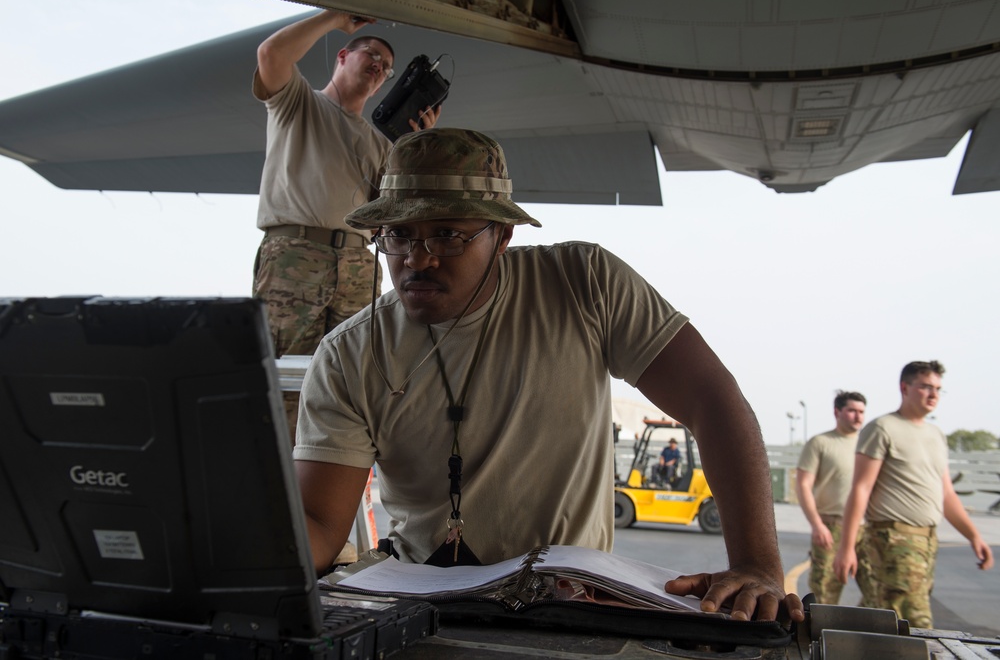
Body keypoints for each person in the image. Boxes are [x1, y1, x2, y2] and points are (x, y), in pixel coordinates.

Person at [293, 128, 805, 623]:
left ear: (502, 237)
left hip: (571, 606)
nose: (417, 259)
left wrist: (757, 566)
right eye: (398, 235)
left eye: (447, 234)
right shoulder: (349, 353)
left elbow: (710, 400)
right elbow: (319, 523)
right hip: (423, 606)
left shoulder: (584, 286)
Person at [252, 10, 441, 441]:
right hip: (298, 256)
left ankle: (327, 481)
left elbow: (392, 212)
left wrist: (417, 146)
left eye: (387, 67)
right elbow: (272, 53)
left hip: (358, 261)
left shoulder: (379, 143)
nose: (379, 67)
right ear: (342, 56)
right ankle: (278, 487)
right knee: (282, 376)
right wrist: (335, 16)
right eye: (371, 54)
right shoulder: (298, 102)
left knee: (349, 377)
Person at [833, 361, 994, 627]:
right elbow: (861, 489)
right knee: (915, 624)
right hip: (894, 542)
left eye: (938, 389)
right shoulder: (883, 428)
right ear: (905, 387)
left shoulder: (936, 435)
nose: (933, 395)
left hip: (927, 543)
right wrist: (847, 547)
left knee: (884, 618)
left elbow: (946, 494)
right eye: (926, 387)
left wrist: (973, 536)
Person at [795, 390, 867, 604]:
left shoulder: (868, 445)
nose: (858, 416)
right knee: (824, 595)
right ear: (837, 412)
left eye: (862, 411)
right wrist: (817, 525)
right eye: (852, 410)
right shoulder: (821, 443)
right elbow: (803, 484)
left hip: (868, 531)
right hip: (831, 527)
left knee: (881, 594)